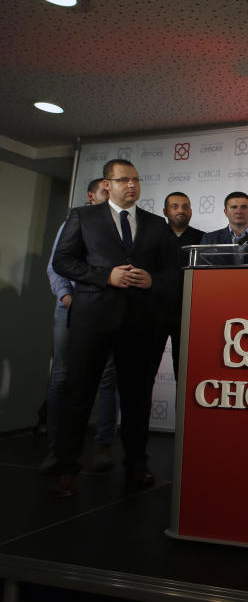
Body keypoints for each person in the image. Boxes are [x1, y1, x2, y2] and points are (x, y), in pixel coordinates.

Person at [51, 159, 178, 497]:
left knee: (137, 398)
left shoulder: (156, 224)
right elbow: (63, 261)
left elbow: (174, 271)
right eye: (124, 180)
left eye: (135, 180)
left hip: (140, 323)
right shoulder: (83, 217)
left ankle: (136, 463)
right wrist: (104, 276)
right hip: (92, 320)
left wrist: (153, 279)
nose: (131, 185)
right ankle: (67, 469)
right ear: (107, 185)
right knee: (79, 394)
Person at [41, 178, 119, 474]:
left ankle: (103, 446)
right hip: (70, 308)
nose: (109, 197)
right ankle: (55, 447)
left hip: (105, 308)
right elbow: (56, 266)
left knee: (107, 379)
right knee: (61, 376)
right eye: (104, 191)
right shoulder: (74, 222)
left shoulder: (121, 228)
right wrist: (66, 296)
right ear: (92, 195)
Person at [158, 192, 205, 382]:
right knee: (144, 372)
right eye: (175, 206)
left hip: (187, 314)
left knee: (185, 374)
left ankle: (181, 412)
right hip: (156, 314)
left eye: (185, 206)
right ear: (165, 211)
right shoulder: (154, 237)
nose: (181, 210)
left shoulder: (203, 239)